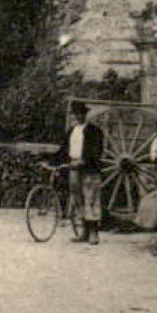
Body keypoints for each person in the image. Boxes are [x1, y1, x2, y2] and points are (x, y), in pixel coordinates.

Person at [65, 101, 106, 245]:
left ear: (85, 114)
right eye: (75, 114)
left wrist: (84, 161)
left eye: (80, 113)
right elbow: (64, 149)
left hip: (90, 169)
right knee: (78, 199)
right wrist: (52, 162)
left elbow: (97, 150)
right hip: (74, 168)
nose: (78, 116)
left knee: (91, 199)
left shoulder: (94, 131)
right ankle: (84, 231)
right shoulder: (72, 131)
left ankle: (94, 232)